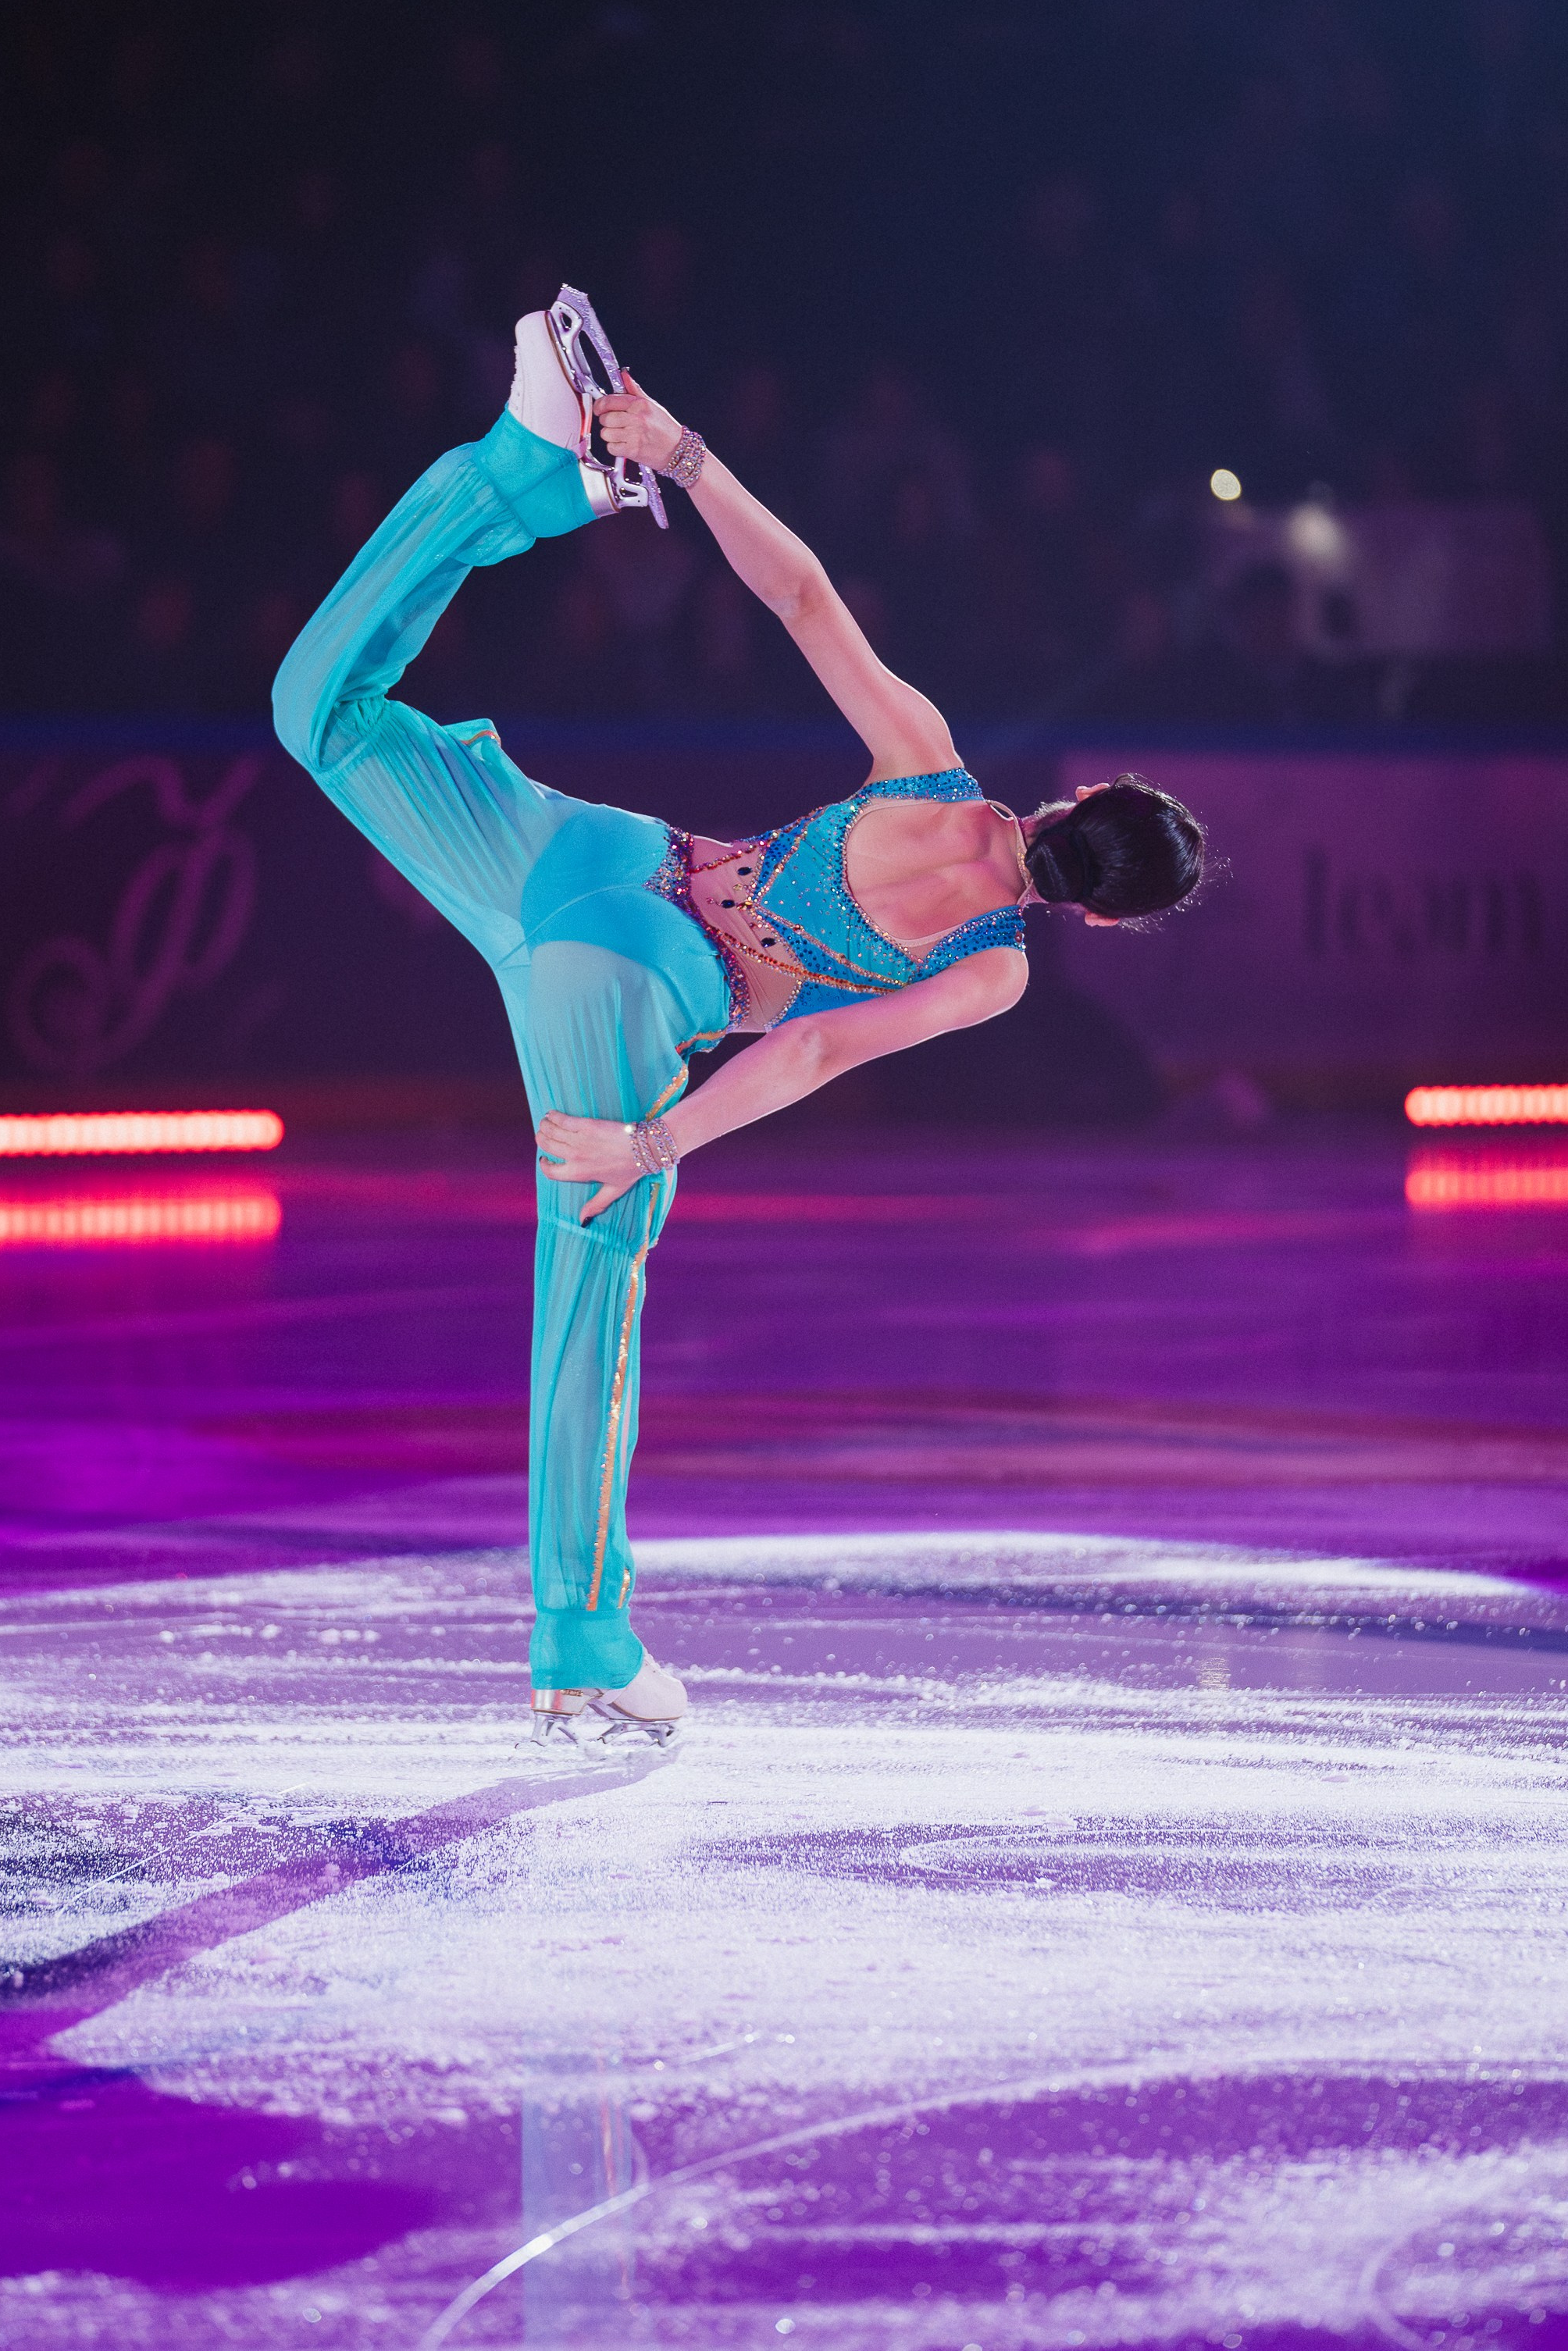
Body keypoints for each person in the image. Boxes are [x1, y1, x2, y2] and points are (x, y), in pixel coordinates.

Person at [272, 291, 1206, 1753]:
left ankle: (521, 476)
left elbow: (805, 599)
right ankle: (580, 1643)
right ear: (1097, 912)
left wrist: (688, 458)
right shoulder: (996, 966)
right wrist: (655, 1137)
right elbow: (817, 1047)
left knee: (320, 713)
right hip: (633, 991)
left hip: (587, 857)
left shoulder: (934, 772)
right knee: (588, 1281)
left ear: (1078, 798)